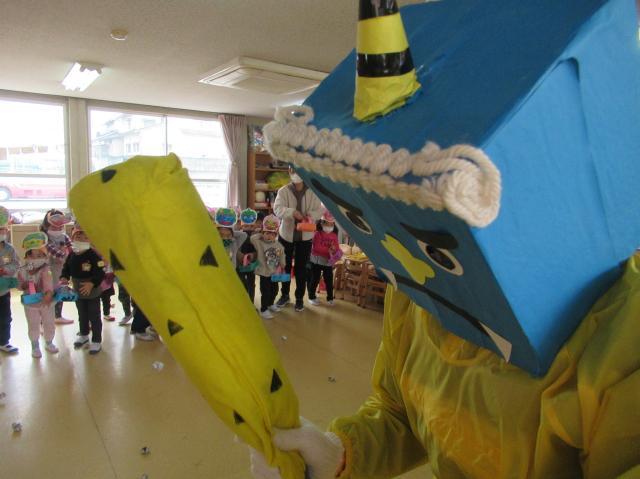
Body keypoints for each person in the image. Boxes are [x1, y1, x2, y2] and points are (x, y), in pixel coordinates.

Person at [273, 166, 323, 312]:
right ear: (289, 172)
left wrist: (310, 215)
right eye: (292, 170)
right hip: (286, 236)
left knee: (301, 269)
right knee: (285, 267)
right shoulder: (283, 191)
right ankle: (284, 295)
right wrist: (292, 212)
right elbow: (277, 209)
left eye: (298, 170)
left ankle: (299, 298)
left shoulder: (313, 191)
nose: (295, 173)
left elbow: (319, 210)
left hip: (305, 237)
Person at [60, 225, 105, 355]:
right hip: (78, 290)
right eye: (78, 237)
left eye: (85, 237)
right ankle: (84, 334)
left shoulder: (93, 255)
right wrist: (64, 277)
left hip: (92, 291)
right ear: (73, 238)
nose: (81, 239)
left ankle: (96, 340)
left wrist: (92, 283)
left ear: (90, 240)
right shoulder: (72, 254)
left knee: (94, 316)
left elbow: (100, 272)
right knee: (82, 314)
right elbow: (66, 268)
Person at [17, 232, 58, 358]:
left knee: (49, 322)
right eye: (33, 255)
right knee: (33, 324)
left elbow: (49, 283)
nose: (36, 258)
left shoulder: (47, 269)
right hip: (30, 302)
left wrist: (49, 293)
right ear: (27, 256)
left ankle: (49, 342)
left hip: (47, 302)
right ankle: (34, 345)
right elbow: (19, 283)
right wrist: (23, 285)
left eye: (40, 255)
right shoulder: (23, 269)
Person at [40, 209, 74, 324]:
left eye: (60, 227)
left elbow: (72, 248)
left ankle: (58, 315)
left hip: (60, 270)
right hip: (48, 270)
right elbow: (56, 253)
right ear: (47, 225)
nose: (58, 230)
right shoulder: (44, 238)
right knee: (47, 292)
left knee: (60, 291)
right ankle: (42, 320)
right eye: (54, 227)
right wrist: (65, 254)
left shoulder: (64, 236)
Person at [251, 214, 286, 320]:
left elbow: (282, 255)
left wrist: (283, 264)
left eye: (272, 234)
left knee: (275, 290)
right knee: (265, 292)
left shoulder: (278, 245)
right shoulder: (259, 243)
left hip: (274, 272)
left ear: (276, 235)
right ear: (263, 233)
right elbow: (252, 238)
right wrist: (260, 233)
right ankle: (264, 309)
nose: (269, 236)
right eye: (267, 233)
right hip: (264, 272)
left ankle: (270, 304)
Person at [307, 210, 342, 307]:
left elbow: (337, 247)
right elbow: (317, 248)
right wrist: (329, 250)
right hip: (316, 261)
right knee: (315, 279)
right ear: (322, 223)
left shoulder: (334, 235)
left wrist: (334, 250)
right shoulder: (317, 234)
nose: (329, 226)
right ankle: (311, 297)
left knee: (329, 280)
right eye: (327, 223)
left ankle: (330, 298)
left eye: (331, 224)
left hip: (327, 262)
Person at [0, 206, 20, 354]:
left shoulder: (9, 249)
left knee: (5, 317)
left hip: (4, 290)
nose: (1, 233)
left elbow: (15, 263)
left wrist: (6, 270)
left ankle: (4, 342)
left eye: (3, 230)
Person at [237, 209, 263, 306]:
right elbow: (235, 249)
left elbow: (259, 250)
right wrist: (240, 256)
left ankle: (251, 303)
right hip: (240, 264)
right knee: (241, 283)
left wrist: (253, 256)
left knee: (251, 284)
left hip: (252, 264)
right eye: (246, 226)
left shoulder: (256, 236)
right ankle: (243, 302)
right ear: (241, 225)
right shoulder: (238, 235)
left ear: (255, 225)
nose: (248, 228)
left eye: (251, 226)